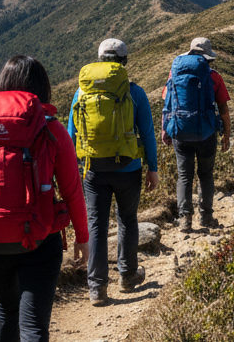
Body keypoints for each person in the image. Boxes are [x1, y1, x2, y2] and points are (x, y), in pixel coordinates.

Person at [0, 55, 89, 342]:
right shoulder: (51, 128)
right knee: (33, 326)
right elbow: (72, 189)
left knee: (4, 308)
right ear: (42, 88)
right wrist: (82, 236)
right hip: (39, 239)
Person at [68, 38, 158, 306]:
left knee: (96, 223)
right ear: (124, 63)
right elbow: (148, 134)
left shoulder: (80, 93)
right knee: (127, 219)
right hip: (128, 168)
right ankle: (128, 277)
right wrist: (152, 168)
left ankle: (97, 288)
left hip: (93, 169)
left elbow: (71, 136)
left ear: (98, 60)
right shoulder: (135, 93)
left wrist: (74, 171)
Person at [161, 37, 232, 233]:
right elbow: (223, 108)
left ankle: (185, 220)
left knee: (184, 176)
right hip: (206, 134)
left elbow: (167, 104)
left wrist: (165, 129)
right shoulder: (214, 76)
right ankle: (206, 217)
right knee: (205, 175)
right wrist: (226, 134)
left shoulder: (174, 72)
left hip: (180, 132)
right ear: (208, 58)